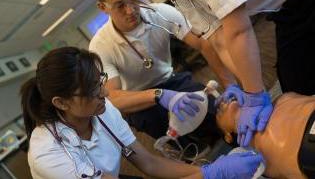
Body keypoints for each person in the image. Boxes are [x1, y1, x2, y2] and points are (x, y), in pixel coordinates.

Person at [99, 0, 315, 146]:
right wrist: (238, 86)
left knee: (299, 86)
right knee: (296, 85)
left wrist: (254, 93)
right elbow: (219, 40)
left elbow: (238, 30)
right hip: (286, 8)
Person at [21, 47, 263, 179]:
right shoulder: (49, 153)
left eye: (101, 81)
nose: (105, 93)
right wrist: (211, 175)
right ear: (61, 103)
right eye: (93, 90)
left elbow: (149, 163)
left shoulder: (102, 112)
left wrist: (206, 171)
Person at [89, 0, 235, 149]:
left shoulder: (160, 13)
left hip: (171, 81)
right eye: (119, 5)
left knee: (217, 117)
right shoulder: (100, 46)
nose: (131, 10)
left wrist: (230, 85)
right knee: (185, 146)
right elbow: (113, 98)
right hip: (138, 101)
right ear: (103, 7)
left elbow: (204, 45)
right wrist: (158, 95)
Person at [212, 92, 315, 179]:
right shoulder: (259, 162)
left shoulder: (283, 98)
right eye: (218, 113)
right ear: (227, 137)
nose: (222, 101)